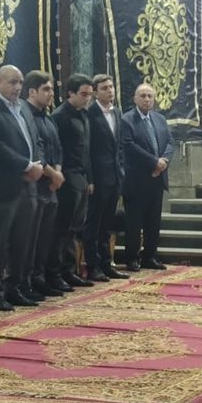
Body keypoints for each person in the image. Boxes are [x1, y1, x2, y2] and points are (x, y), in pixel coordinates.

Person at [0, 65, 44, 311]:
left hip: (29, 185)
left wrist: (39, 164)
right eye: (12, 82)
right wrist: (26, 165)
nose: (17, 87)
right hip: (4, 185)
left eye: (20, 82)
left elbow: (36, 141)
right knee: (0, 240)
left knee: (23, 240)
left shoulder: (23, 107)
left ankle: (15, 288)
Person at [21, 70, 69, 299]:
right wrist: (52, 174)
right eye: (47, 89)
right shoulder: (25, 115)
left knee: (46, 238)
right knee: (30, 239)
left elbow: (58, 148)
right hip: (36, 185)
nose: (51, 93)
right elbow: (35, 151)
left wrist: (57, 172)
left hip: (51, 187)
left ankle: (40, 278)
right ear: (32, 91)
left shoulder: (48, 117)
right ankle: (27, 282)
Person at [120, 84, 173, 271]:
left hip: (157, 179)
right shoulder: (127, 120)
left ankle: (150, 256)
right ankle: (132, 258)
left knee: (153, 221)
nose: (147, 99)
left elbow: (170, 142)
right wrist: (154, 162)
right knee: (134, 222)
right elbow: (129, 146)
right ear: (135, 99)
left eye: (150, 96)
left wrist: (163, 161)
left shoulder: (159, 119)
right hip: (137, 180)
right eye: (143, 96)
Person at [51, 74, 96, 288]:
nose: (87, 98)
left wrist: (90, 178)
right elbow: (56, 149)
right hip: (67, 176)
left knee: (74, 228)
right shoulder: (59, 116)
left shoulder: (84, 115)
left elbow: (87, 151)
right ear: (70, 93)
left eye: (90, 94)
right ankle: (56, 273)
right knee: (62, 228)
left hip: (82, 176)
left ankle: (69, 270)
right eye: (83, 94)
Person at [83, 74, 129, 280]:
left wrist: (121, 170)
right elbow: (87, 150)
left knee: (107, 224)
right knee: (94, 224)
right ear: (95, 92)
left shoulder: (117, 112)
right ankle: (92, 266)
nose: (109, 91)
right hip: (98, 177)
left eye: (111, 87)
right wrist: (90, 178)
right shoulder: (89, 113)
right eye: (104, 88)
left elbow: (119, 145)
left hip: (115, 176)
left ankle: (106, 263)